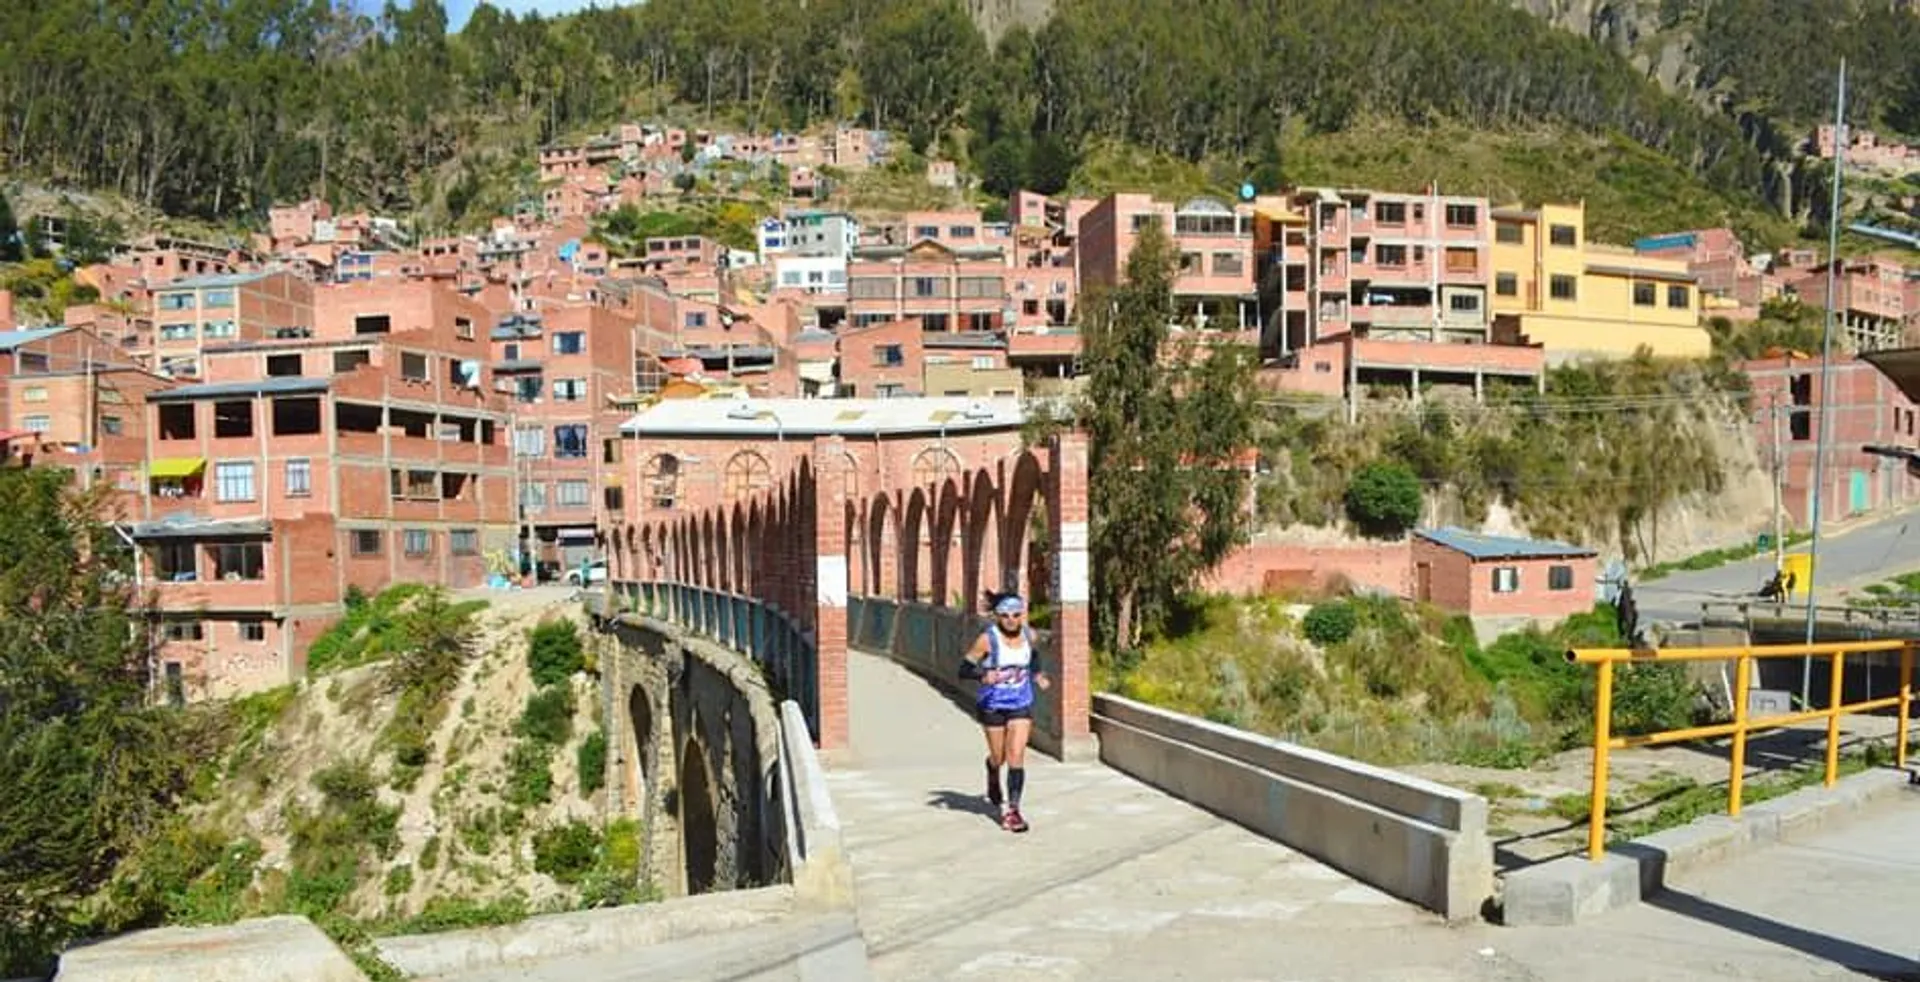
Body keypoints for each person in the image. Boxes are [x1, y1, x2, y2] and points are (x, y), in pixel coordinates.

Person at [957, 592, 1050, 832]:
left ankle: (1013, 811)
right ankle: (992, 770)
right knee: (1000, 757)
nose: (1011, 620)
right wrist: (983, 675)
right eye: (1005, 615)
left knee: (1016, 756)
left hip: (1020, 703)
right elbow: (964, 669)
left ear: (1022, 615)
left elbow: (1034, 657)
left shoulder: (1029, 636)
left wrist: (1037, 674)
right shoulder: (987, 640)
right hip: (993, 705)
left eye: (1016, 615)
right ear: (997, 616)